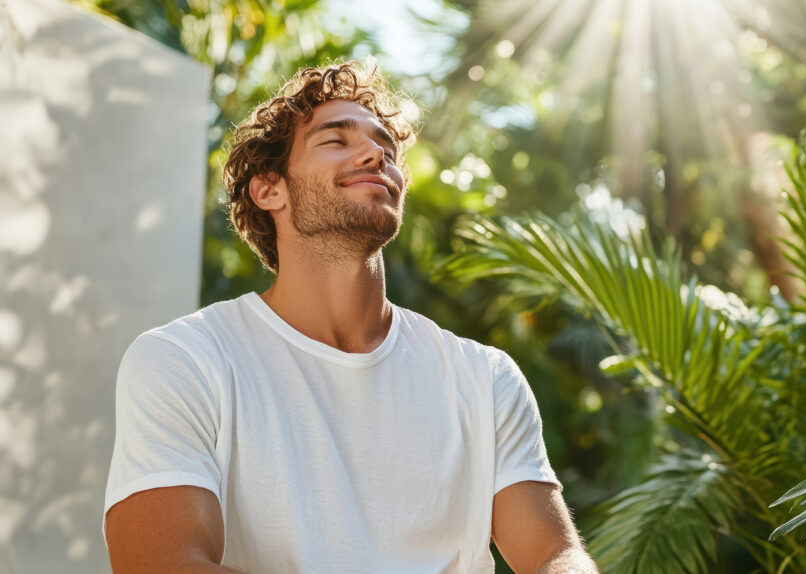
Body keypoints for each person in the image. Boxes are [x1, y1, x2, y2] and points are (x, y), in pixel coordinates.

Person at [102, 60, 599, 574]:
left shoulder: (484, 378)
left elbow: (552, 554)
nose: (375, 155)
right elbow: (161, 564)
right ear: (269, 189)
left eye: (385, 146)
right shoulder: (185, 361)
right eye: (335, 141)